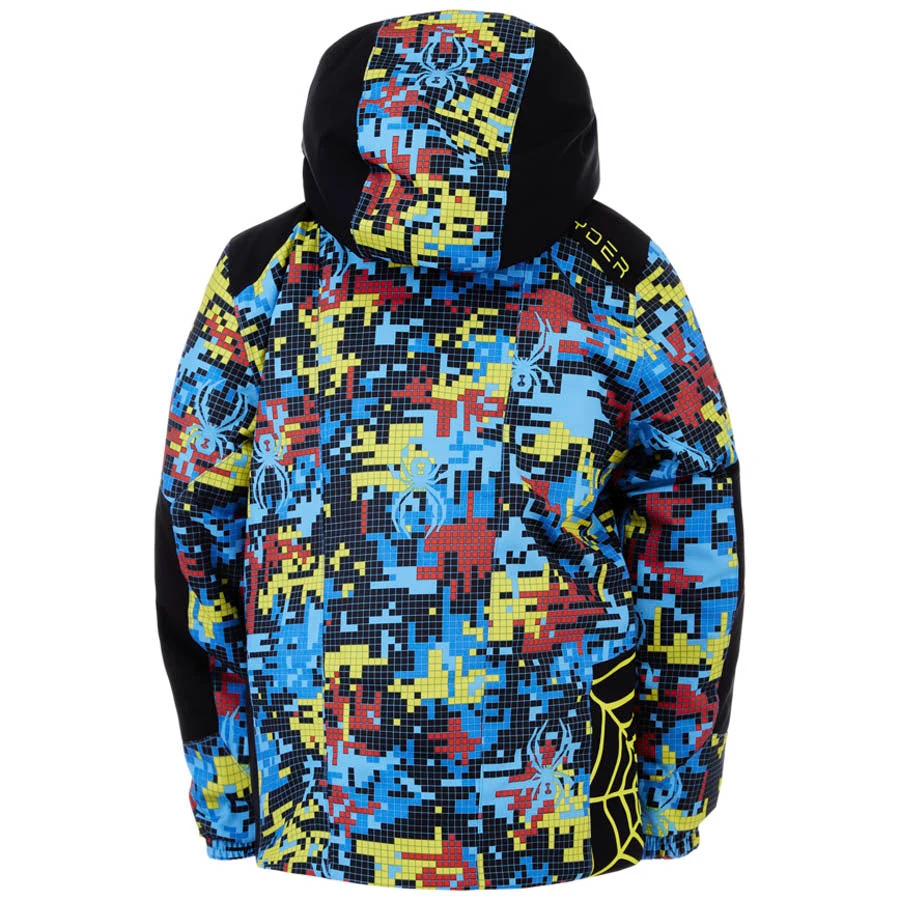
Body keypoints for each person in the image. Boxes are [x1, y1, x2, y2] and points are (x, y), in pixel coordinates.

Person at [154, 8, 745, 889]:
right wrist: (669, 800)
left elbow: (197, 538)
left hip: (320, 807)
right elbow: (694, 543)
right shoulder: (621, 278)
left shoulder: (262, 278)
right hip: (566, 812)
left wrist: (231, 801)